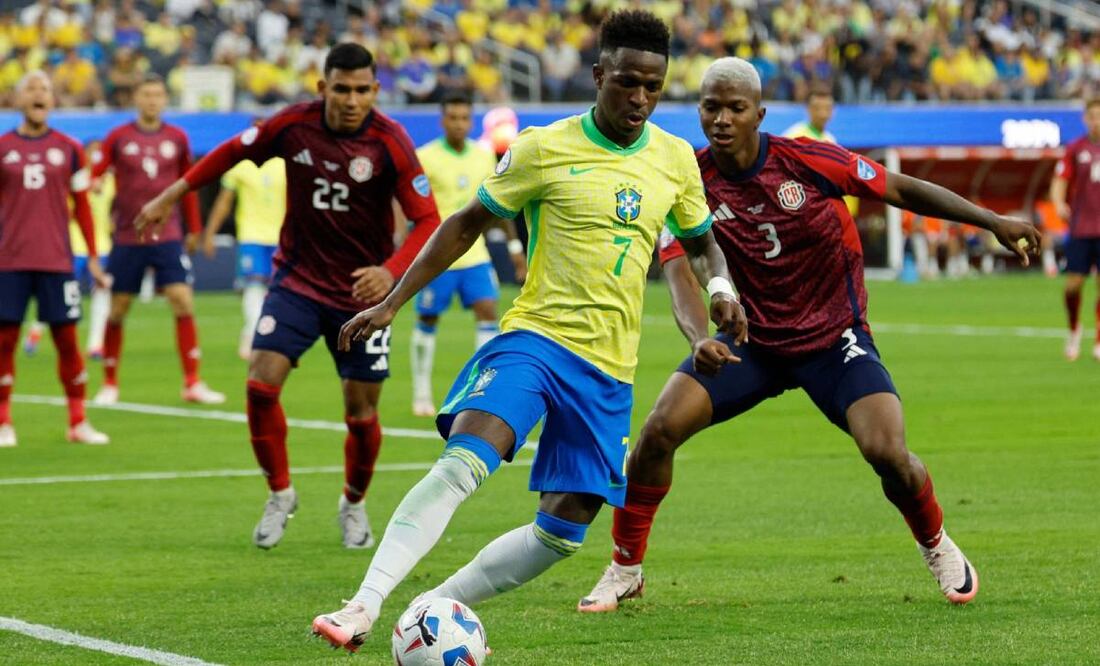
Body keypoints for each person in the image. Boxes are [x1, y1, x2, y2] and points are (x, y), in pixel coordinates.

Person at [311, 10, 745, 653]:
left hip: (609, 371)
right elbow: (463, 225)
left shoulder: (675, 159)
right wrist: (393, 302)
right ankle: (362, 606)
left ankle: (434, 607)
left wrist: (718, 295)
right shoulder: (544, 147)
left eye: (653, 86)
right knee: (466, 459)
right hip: (536, 341)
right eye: (627, 82)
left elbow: (700, 248)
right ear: (599, 75)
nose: (641, 98)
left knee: (564, 530)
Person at [577, 58, 1040, 612]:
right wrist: (697, 335)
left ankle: (936, 543)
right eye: (711, 107)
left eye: (735, 108)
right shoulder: (689, 181)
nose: (721, 119)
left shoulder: (808, 160)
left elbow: (899, 189)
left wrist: (993, 221)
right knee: (656, 432)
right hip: (752, 342)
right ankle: (625, 568)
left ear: (760, 113)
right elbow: (678, 266)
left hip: (833, 338)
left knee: (887, 451)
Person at [135, 43, 442, 550]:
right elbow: (233, 151)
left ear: (375, 91)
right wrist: (172, 195)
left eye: (361, 90)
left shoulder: (391, 141)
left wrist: (390, 272)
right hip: (297, 281)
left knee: (361, 411)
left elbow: (428, 219)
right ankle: (280, 493)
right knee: (260, 381)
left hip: (360, 296)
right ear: (323, 87)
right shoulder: (292, 125)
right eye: (340, 89)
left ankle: (354, 504)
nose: (350, 100)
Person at [90, 73, 224, 406]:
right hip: (128, 235)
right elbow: (99, 168)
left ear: (165, 99)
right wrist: (93, 179)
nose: (152, 100)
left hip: (167, 235)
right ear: (136, 98)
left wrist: (194, 228)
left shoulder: (177, 137)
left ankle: (192, 381)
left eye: (158, 94)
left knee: (182, 299)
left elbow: (189, 185)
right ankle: (109, 383)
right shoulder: (119, 137)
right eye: (146, 94)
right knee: (118, 307)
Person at [0, 71, 112, 447]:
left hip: (57, 260)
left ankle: (78, 421)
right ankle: (3, 422)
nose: (39, 94)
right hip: (10, 261)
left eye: (45, 88)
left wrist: (93, 257)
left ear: (53, 100)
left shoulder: (70, 148)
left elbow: (83, 208)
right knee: (5, 342)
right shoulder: (2, 147)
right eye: (31, 88)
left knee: (67, 341)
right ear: (17, 99)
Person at [409, 92, 527, 417]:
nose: (459, 124)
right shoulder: (426, 157)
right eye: (453, 118)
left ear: (471, 121)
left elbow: (498, 206)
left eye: (464, 118)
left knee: (488, 312)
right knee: (428, 319)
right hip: (439, 256)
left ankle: (477, 391)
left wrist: (515, 248)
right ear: (443, 120)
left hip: (475, 255)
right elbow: (412, 206)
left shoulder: (483, 157)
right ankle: (421, 392)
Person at [202, 138, 287, 360]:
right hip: (251, 235)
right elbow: (224, 202)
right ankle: (252, 334)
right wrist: (210, 232)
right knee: (254, 285)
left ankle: (269, 334)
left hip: (280, 237)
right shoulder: (241, 165)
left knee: (277, 290)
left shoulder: (285, 164)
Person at [1049, 98, 1100, 362]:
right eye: (1092, 116)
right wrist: (1058, 203)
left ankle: (1099, 341)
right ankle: (1073, 329)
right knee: (1073, 285)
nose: (1096, 121)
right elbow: (1060, 179)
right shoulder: (1075, 148)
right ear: (1085, 119)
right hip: (1081, 227)